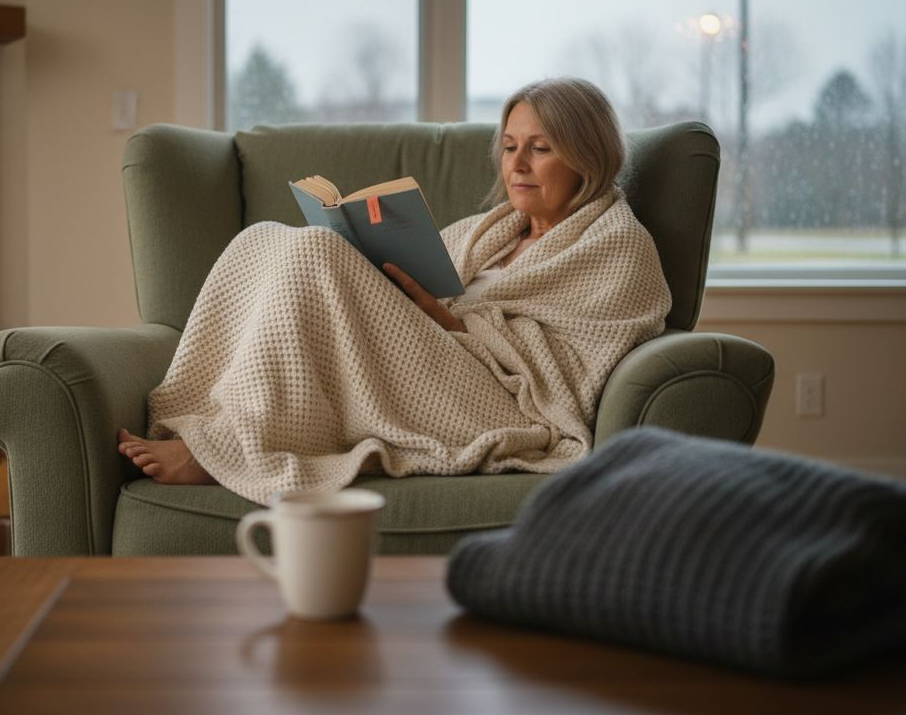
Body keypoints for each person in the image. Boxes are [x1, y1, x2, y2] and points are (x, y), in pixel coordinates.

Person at [118, 77, 672, 505]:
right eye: (509, 147)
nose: (517, 165)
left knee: (317, 250)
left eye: (541, 148)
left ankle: (230, 447)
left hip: (497, 403)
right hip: (432, 359)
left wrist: (450, 321)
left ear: (587, 156)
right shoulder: (488, 231)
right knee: (262, 238)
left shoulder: (617, 246)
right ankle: (211, 417)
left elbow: (571, 377)